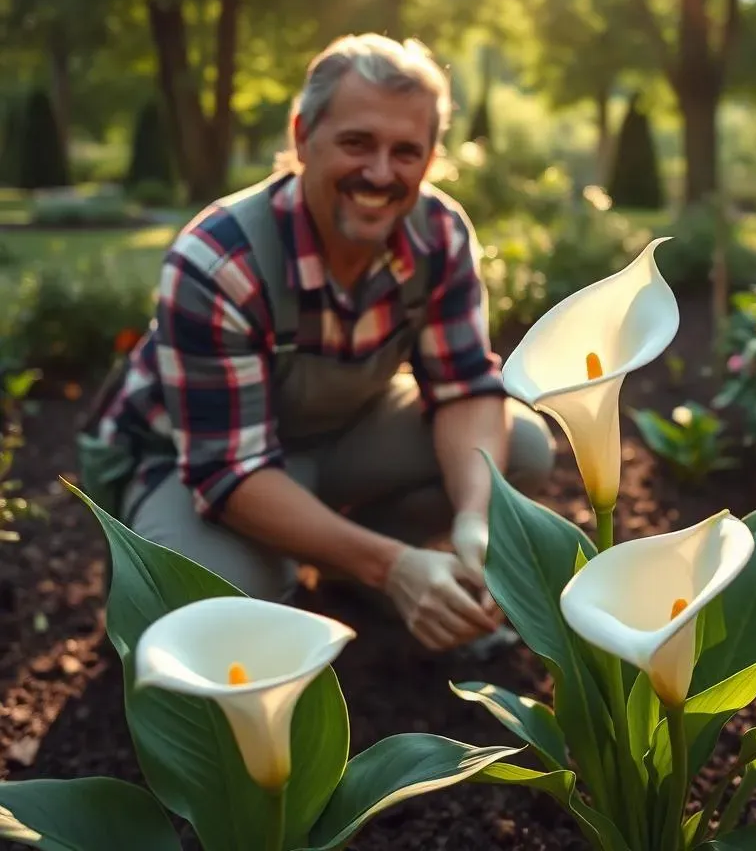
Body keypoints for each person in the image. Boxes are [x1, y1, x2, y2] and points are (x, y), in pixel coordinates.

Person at [77, 33, 556, 653]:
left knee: (517, 451)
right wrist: (394, 564)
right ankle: (357, 566)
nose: (381, 174)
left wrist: (474, 521)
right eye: (357, 143)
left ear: (431, 157)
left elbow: (463, 387)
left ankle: (345, 568)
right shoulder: (220, 258)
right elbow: (228, 471)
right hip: (189, 465)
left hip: (335, 441)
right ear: (303, 136)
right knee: (194, 615)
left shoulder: (439, 234)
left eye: (406, 152)